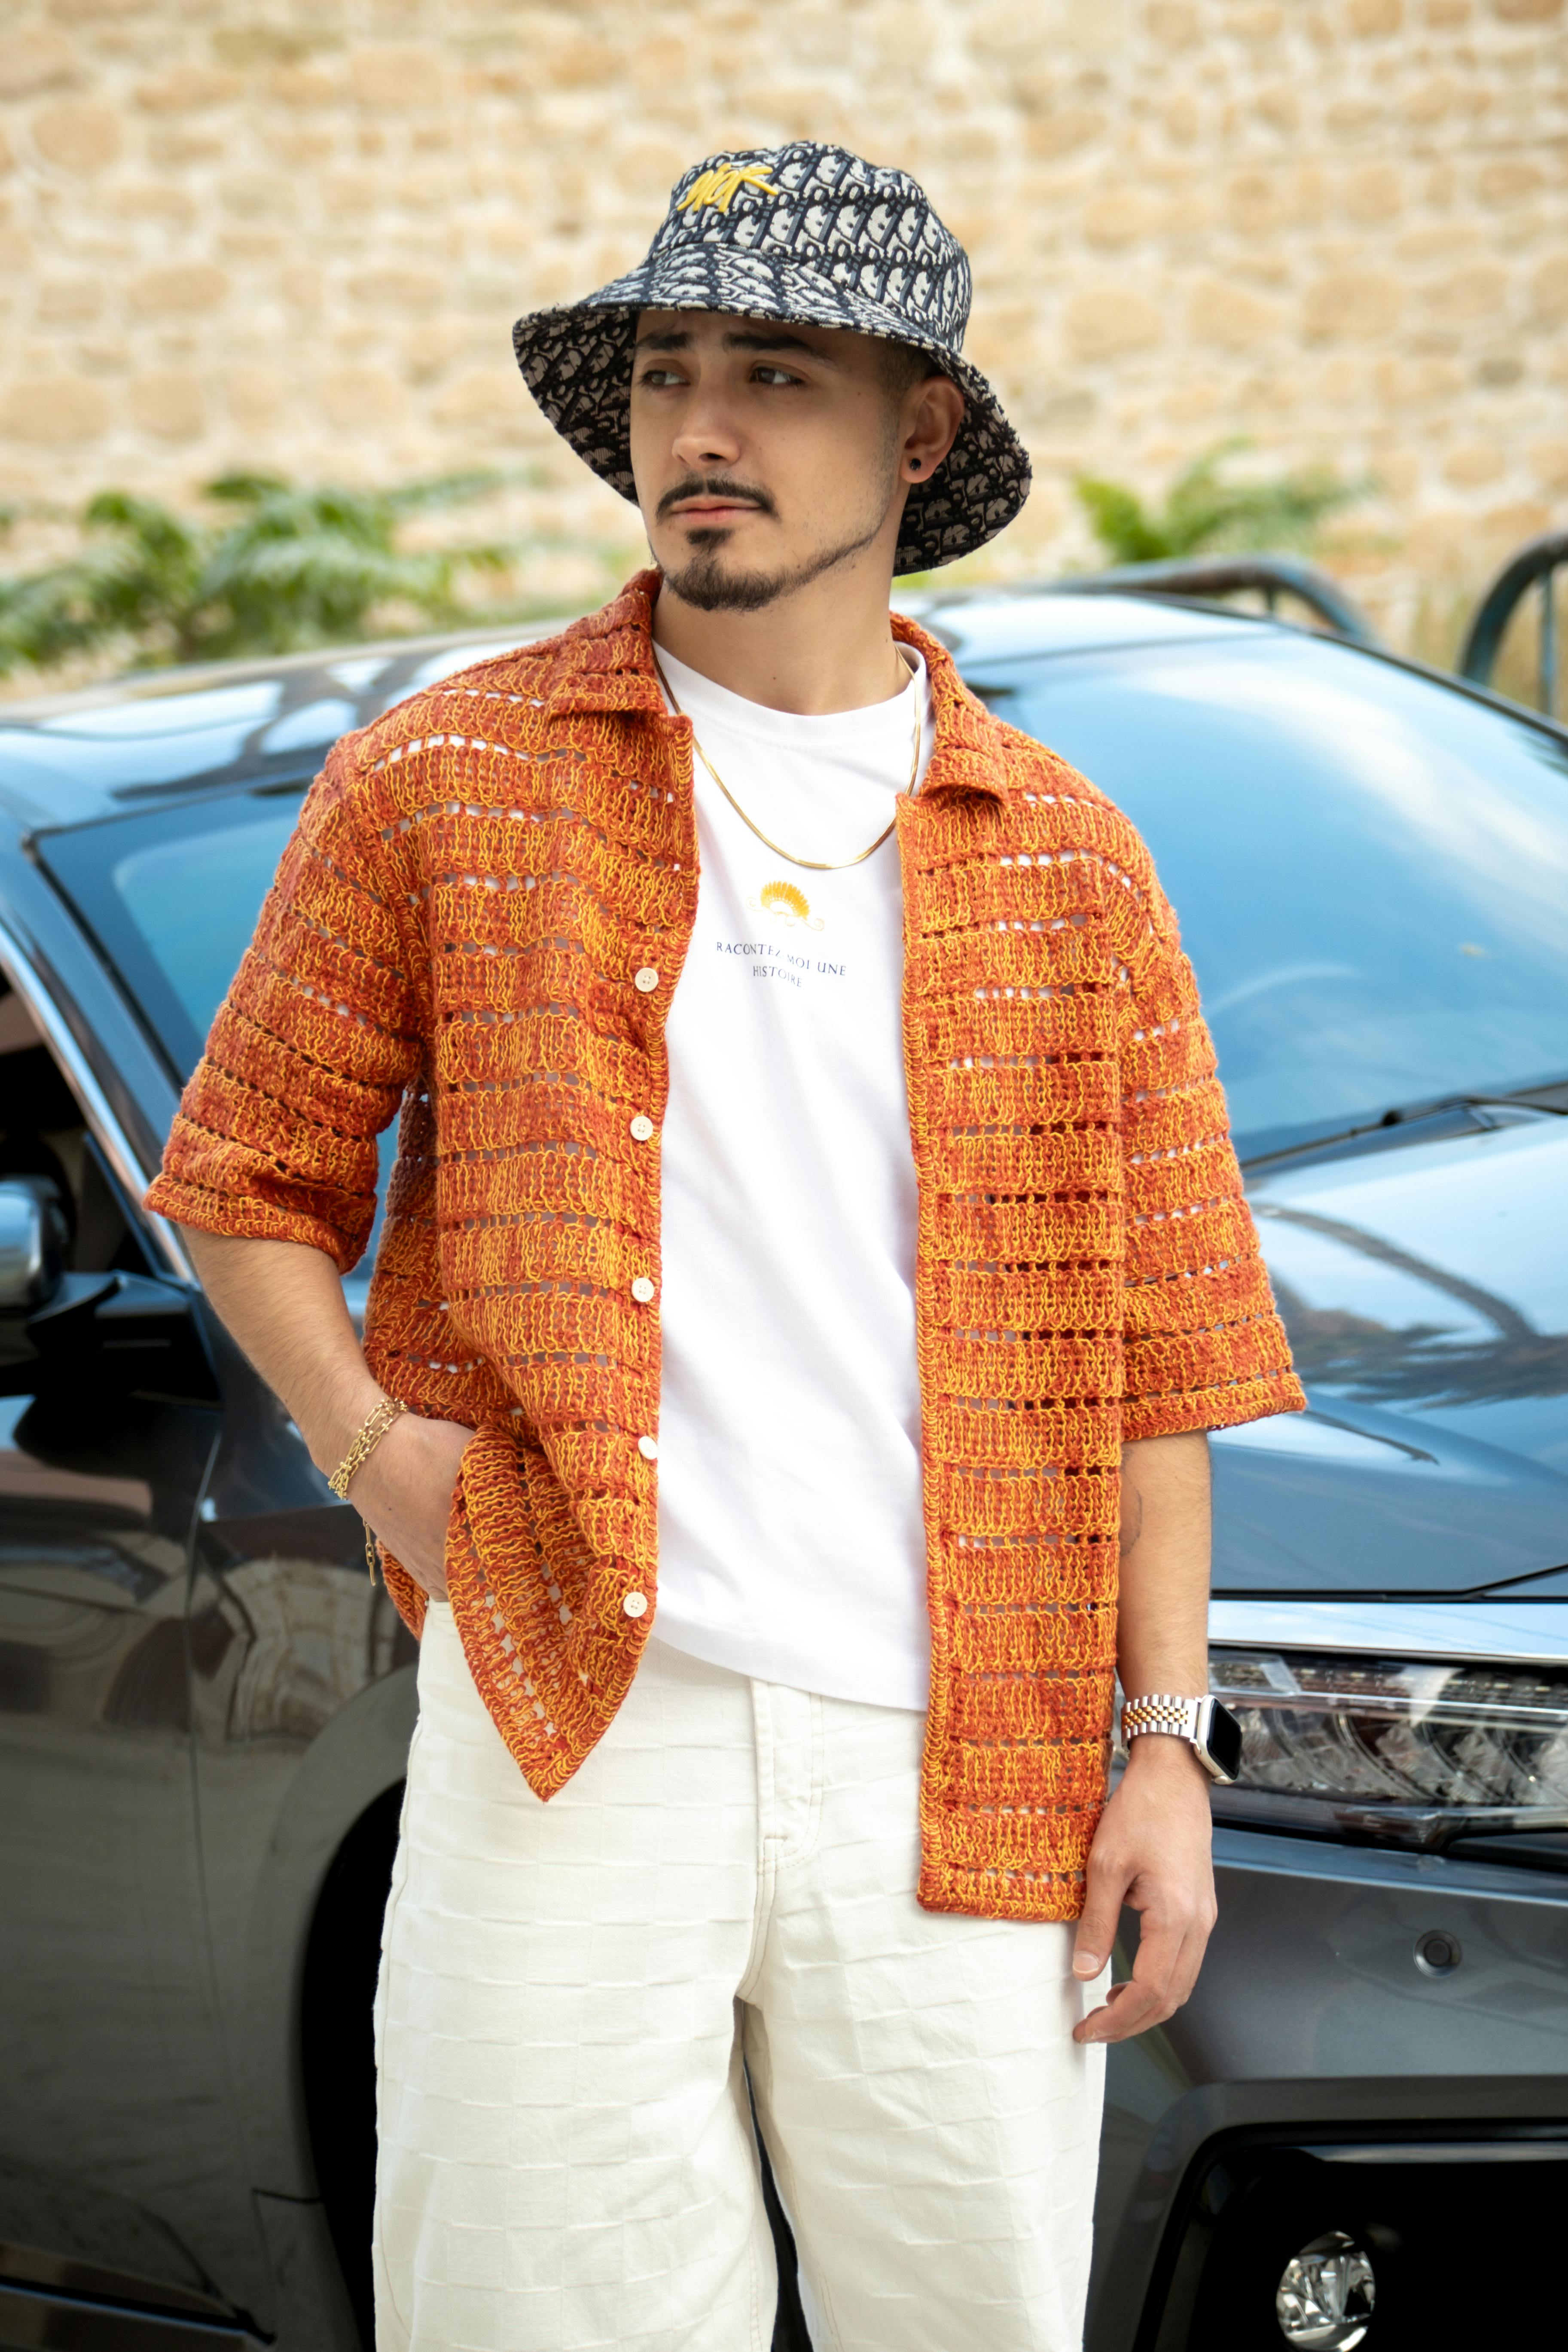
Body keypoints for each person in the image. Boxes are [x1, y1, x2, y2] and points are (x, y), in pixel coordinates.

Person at [146, 142, 1303, 2352]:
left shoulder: (1068, 859)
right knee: (528, 2315)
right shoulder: (451, 781)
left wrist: (1169, 1746)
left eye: (774, 374)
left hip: (966, 1738)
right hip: (576, 1704)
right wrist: (385, 1456)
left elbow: (1158, 1351)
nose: (701, 428)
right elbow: (244, 1170)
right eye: (668, 373)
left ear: (920, 432)